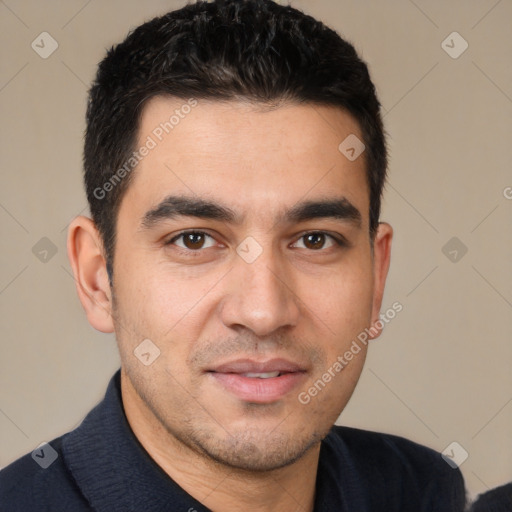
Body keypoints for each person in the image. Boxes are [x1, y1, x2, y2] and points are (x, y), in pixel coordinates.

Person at [0, 1, 467, 510]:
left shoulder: (424, 492)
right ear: (97, 278)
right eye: (194, 240)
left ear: (377, 278)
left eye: (315, 239)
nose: (263, 312)